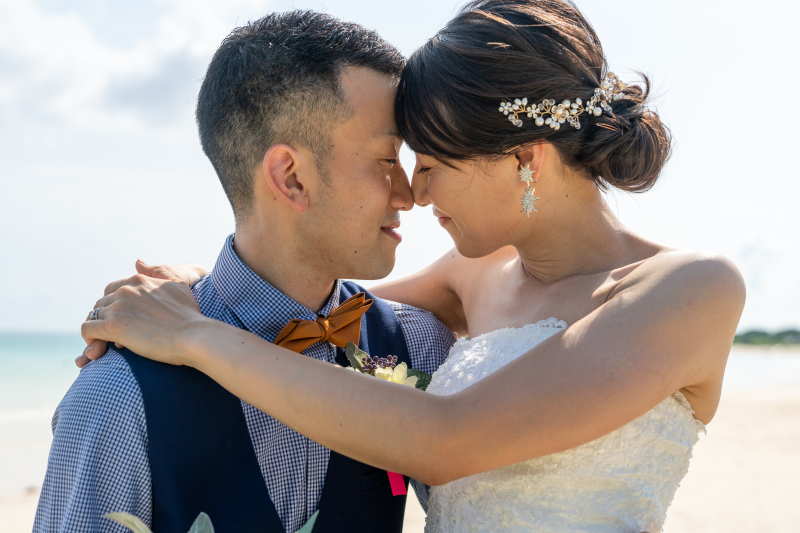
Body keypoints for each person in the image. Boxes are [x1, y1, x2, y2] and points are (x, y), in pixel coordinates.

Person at [81, 0, 745, 532]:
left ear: (525, 159)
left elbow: (447, 439)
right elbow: (308, 311)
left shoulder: (692, 289)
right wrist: (192, 291)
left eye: (431, 165)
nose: (415, 193)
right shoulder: (470, 275)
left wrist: (194, 335)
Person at [34, 11, 457, 533]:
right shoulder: (117, 397)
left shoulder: (423, 349)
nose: (407, 194)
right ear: (292, 178)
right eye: (386, 158)